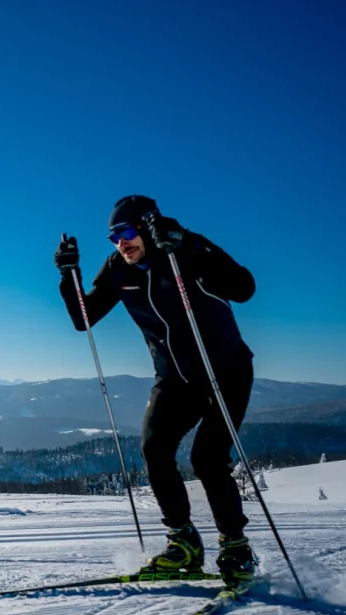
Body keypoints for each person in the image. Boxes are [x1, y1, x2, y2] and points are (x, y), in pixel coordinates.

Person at [54, 195, 257, 589]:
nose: (120, 244)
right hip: (174, 378)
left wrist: (189, 246)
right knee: (154, 448)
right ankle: (183, 542)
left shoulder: (187, 248)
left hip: (226, 373)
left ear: (146, 228)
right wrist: (69, 276)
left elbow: (244, 287)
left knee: (208, 458)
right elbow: (84, 317)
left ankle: (236, 546)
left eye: (126, 233)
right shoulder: (118, 268)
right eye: (113, 237)